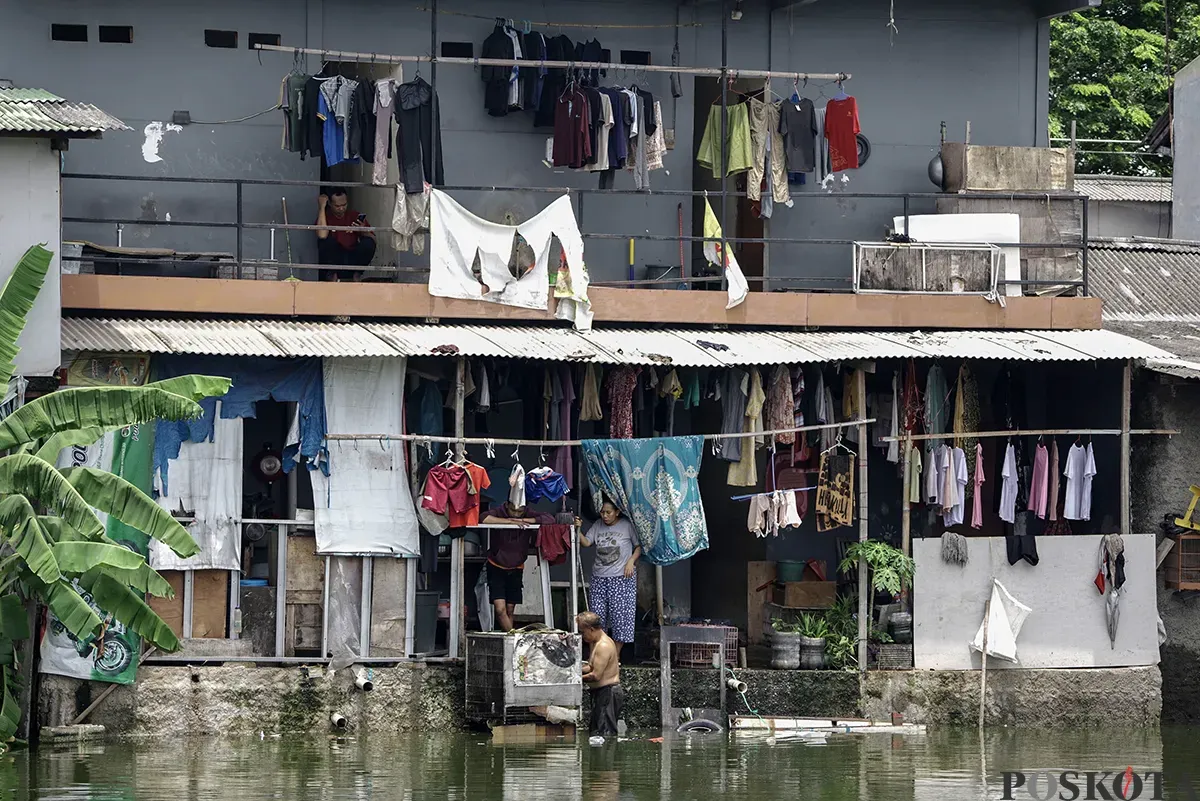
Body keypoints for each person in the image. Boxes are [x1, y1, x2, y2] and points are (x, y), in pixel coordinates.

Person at [578, 500, 641, 657]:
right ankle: (596, 656)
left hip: (621, 578)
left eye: (608, 512)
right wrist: (576, 528)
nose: (605, 516)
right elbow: (586, 542)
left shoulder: (626, 525)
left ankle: (615, 656)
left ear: (617, 512)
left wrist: (631, 561)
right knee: (596, 619)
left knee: (620, 618)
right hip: (599, 578)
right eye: (602, 512)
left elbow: (639, 546)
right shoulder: (598, 525)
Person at [481, 502, 554, 632]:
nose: (516, 514)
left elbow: (550, 519)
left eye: (519, 511)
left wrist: (524, 520)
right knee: (500, 609)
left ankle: (509, 640)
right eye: (513, 510)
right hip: (496, 566)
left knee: (510, 609)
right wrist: (509, 522)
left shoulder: (527, 513)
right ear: (507, 505)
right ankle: (514, 637)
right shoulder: (499, 511)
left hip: (516, 567)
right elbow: (483, 518)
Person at [578, 611, 624, 737]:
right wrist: (574, 670)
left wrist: (576, 679)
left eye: (583, 632)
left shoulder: (603, 645)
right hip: (601, 693)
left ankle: (606, 756)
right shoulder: (596, 643)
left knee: (605, 734)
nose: (582, 636)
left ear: (591, 629)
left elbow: (596, 675)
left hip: (608, 693)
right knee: (596, 732)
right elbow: (591, 667)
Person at [316, 187, 375, 281]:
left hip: (353, 258)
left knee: (368, 242)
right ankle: (333, 276)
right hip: (336, 259)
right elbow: (322, 235)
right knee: (325, 242)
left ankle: (356, 275)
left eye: (344, 205)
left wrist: (363, 230)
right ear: (330, 204)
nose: (341, 208)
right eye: (337, 206)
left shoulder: (354, 215)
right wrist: (322, 207)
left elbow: (373, 240)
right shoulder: (326, 217)